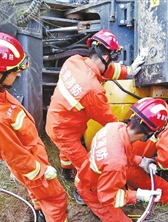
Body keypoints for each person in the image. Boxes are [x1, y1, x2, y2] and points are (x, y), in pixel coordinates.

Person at [0, 32, 68, 222]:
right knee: (55, 196)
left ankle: (40, 208)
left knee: (38, 191)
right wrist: (41, 171)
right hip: (29, 161)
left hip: (26, 150)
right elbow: (15, 156)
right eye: (15, 72)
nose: (19, 75)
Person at [45, 29, 145, 184]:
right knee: (85, 166)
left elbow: (106, 69)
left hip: (58, 120)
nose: (111, 64)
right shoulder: (92, 90)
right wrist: (126, 128)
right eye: (111, 60)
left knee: (67, 152)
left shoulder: (74, 61)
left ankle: (66, 170)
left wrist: (128, 71)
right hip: (64, 132)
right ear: (106, 57)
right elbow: (108, 121)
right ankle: (84, 189)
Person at [74, 98, 168, 222]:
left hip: (89, 176)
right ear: (148, 134)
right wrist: (138, 195)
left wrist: (142, 161)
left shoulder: (115, 127)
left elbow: (126, 151)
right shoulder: (116, 164)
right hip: (93, 191)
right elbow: (106, 197)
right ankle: (95, 209)